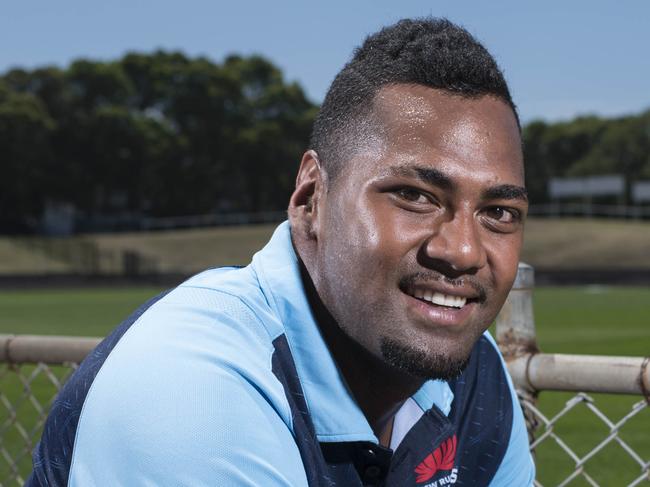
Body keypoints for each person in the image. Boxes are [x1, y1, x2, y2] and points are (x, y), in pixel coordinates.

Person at [28, 17, 535, 486]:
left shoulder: (476, 374)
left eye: (498, 213)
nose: (464, 251)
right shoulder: (190, 389)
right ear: (312, 197)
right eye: (415, 196)